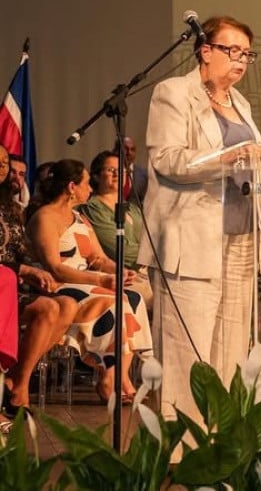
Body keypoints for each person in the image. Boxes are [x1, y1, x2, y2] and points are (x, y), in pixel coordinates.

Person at [139, 14, 261, 422]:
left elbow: (249, 168)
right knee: (189, 355)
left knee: (231, 350)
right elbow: (168, 161)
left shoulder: (241, 104)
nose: (240, 60)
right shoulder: (174, 93)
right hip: (191, 243)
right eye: (231, 50)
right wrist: (228, 157)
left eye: (247, 54)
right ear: (205, 51)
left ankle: (224, 443)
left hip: (239, 241)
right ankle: (183, 452)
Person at [27, 159, 152, 404]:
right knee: (111, 302)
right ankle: (107, 377)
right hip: (62, 285)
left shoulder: (80, 219)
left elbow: (98, 258)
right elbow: (55, 268)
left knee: (133, 297)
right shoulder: (45, 218)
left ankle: (120, 375)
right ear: (72, 187)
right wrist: (103, 280)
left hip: (89, 281)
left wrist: (120, 271)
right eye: (86, 184)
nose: (91, 189)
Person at [0, 146, 76, 415]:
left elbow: (21, 252)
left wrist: (42, 271)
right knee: (47, 308)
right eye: (7, 168)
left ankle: (15, 382)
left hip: (14, 286)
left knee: (66, 304)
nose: (10, 175)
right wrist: (26, 271)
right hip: (1, 287)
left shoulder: (13, 209)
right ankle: (18, 390)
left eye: (18, 172)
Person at [80, 151, 151, 303]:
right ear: (97, 176)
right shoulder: (92, 208)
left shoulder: (133, 208)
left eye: (122, 170)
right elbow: (118, 249)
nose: (117, 174)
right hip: (120, 275)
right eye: (111, 170)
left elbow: (149, 241)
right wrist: (152, 259)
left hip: (147, 272)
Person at [120, 136, 149, 202]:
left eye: (132, 149)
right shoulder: (111, 173)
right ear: (117, 150)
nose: (129, 153)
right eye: (125, 149)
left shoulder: (144, 175)